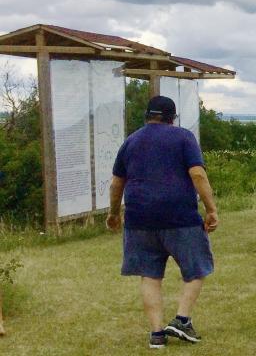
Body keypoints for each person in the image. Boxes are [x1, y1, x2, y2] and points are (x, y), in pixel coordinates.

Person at [105, 96, 218, 349]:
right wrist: (211, 209)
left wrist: (114, 213)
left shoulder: (131, 141)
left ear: (147, 116)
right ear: (172, 117)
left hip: (139, 218)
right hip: (180, 216)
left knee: (150, 275)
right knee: (197, 268)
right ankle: (182, 320)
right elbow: (197, 173)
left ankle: (156, 335)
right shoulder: (183, 138)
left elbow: (116, 183)